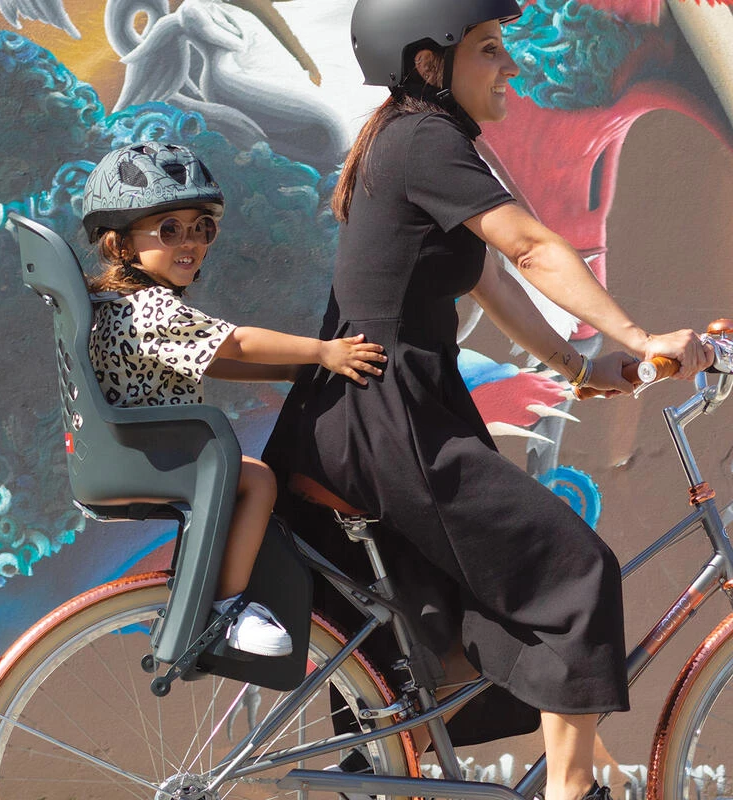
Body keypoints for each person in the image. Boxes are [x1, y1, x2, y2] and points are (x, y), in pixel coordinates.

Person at [263, 1, 714, 798]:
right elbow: (533, 247)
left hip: (382, 411)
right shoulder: (421, 140)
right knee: (574, 574)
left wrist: (578, 365)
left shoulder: (423, 142)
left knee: (472, 615)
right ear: (430, 65)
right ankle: (573, 790)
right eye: (489, 49)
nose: (511, 66)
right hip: (387, 416)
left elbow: (490, 276)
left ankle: (580, 774)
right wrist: (641, 338)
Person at [80, 142, 387, 658]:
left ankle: (219, 593)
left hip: (129, 453)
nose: (191, 241)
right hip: (153, 458)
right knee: (255, 480)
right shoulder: (149, 308)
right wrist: (324, 351)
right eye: (169, 229)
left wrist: (295, 368)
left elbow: (214, 359)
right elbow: (234, 343)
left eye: (202, 227)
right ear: (122, 244)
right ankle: (229, 608)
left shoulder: (116, 304)